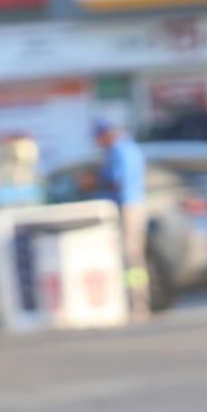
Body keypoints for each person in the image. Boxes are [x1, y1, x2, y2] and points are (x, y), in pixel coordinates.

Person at [92, 117, 150, 320]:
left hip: (128, 207)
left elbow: (118, 182)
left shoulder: (118, 151)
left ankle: (137, 304)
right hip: (135, 205)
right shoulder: (130, 148)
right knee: (134, 256)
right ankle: (138, 302)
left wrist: (96, 181)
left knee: (130, 256)